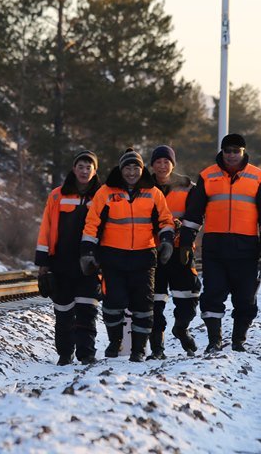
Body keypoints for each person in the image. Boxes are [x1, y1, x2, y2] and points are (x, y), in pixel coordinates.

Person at [179, 133, 261, 353]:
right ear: (222, 152)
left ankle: (238, 340)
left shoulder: (258, 177)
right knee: (213, 294)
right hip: (215, 248)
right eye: (228, 151)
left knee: (245, 297)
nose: (232, 155)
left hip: (247, 248)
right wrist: (186, 241)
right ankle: (214, 340)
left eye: (236, 151)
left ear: (243, 152)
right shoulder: (207, 176)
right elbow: (194, 213)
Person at [81, 148, 175, 362]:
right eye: (128, 168)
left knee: (143, 306)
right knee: (114, 304)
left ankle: (139, 350)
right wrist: (87, 252)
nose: (132, 172)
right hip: (112, 257)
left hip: (144, 257)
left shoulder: (153, 193)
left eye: (136, 168)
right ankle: (115, 342)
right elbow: (92, 224)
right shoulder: (105, 193)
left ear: (142, 170)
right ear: (121, 169)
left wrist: (167, 242)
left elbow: (166, 221)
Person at [35, 149, 103, 365]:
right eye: (80, 166)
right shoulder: (57, 195)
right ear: (74, 169)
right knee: (63, 312)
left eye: (88, 167)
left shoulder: (102, 197)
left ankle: (87, 354)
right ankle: (65, 354)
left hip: (90, 264)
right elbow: (46, 228)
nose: (84, 171)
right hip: (61, 263)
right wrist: (43, 263)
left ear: (95, 170)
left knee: (87, 310)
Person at [147, 145, 200, 358]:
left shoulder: (188, 187)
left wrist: (183, 231)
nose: (162, 166)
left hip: (181, 250)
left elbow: (197, 216)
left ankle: (181, 328)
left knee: (189, 295)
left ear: (172, 164)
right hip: (152, 251)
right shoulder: (144, 187)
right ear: (152, 165)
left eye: (166, 162)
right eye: (158, 162)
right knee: (154, 301)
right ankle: (157, 348)